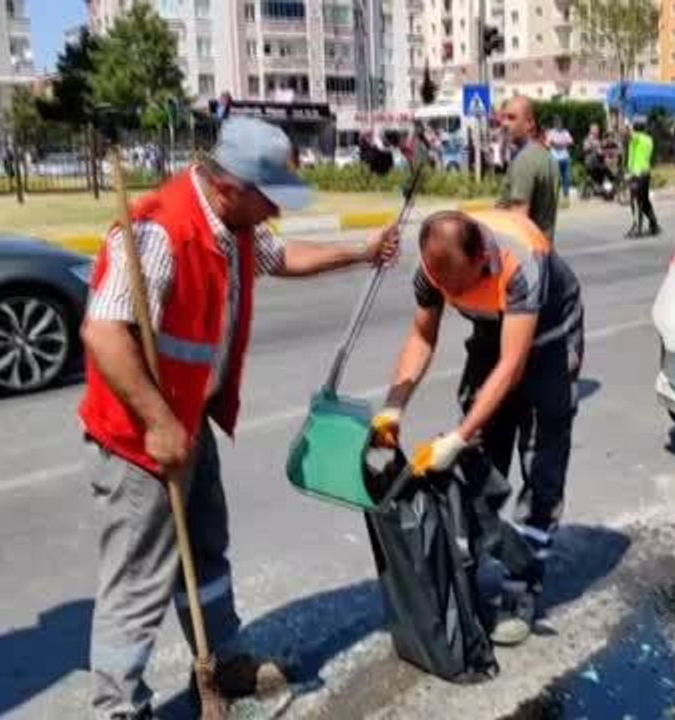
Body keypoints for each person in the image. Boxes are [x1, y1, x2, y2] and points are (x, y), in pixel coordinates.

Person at [78, 116, 400, 720]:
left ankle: (220, 660)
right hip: (138, 437)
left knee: (207, 549)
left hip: (188, 422)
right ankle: (118, 707)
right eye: (270, 197)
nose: (276, 210)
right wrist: (159, 423)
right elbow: (102, 332)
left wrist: (359, 253)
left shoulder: (236, 225)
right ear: (230, 186)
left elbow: (282, 256)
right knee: (138, 579)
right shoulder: (158, 232)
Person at [371, 209, 584, 647]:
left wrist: (457, 436)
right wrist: (393, 407)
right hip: (492, 330)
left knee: (540, 463)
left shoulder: (520, 262)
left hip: (548, 337)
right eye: (445, 287)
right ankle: (470, 560)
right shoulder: (432, 269)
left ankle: (522, 586)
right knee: (479, 459)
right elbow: (422, 336)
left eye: (460, 285)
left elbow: (512, 365)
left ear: (482, 258)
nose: (452, 295)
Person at [496, 96, 561, 241]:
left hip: (526, 250)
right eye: (504, 118)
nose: (504, 123)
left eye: (512, 118)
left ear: (529, 123)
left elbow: (518, 221)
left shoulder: (524, 160)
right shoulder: (547, 156)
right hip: (543, 247)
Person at [626, 120, 660, 237]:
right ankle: (654, 224)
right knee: (644, 201)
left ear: (635, 130)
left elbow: (629, 134)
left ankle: (637, 228)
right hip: (646, 172)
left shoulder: (637, 138)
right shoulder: (649, 139)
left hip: (637, 173)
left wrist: (625, 124)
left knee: (635, 201)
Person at [545, 117, 574, 200]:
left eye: (560, 122)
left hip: (565, 157)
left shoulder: (565, 132)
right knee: (555, 178)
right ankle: (555, 195)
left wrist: (559, 144)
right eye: (557, 122)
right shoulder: (551, 132)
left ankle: (566, 195)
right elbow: (547, 144)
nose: (559, 124)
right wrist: (557, 144)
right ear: (554, 123)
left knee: (567, 177)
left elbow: (571, 142)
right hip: (555, 158)